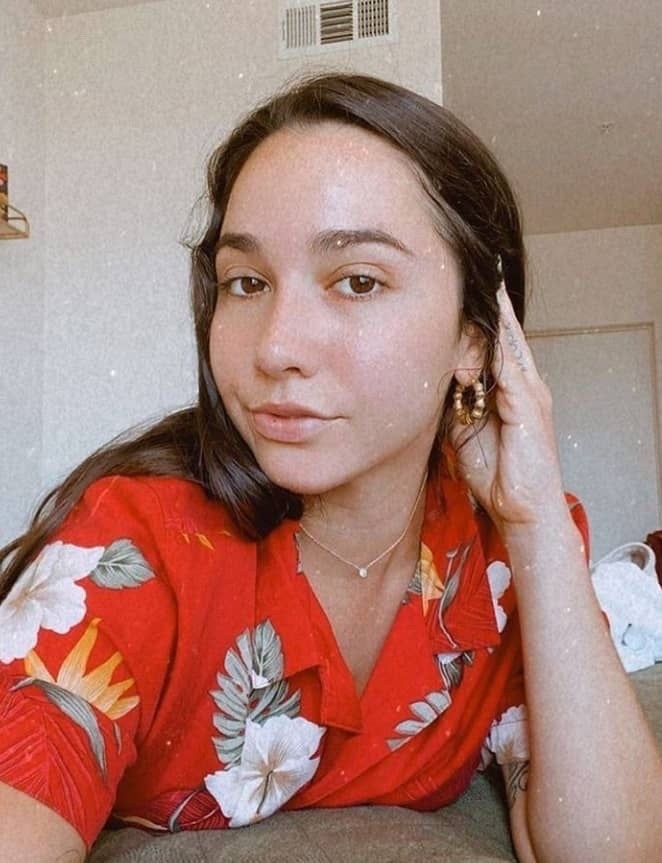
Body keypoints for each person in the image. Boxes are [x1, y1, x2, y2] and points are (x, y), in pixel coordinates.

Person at [0, 73, 659, 863]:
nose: (276, 346)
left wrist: (536, 514)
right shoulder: (138, 544)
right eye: (246, 282)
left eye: (357, 281)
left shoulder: (503, 555)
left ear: (474, 337)